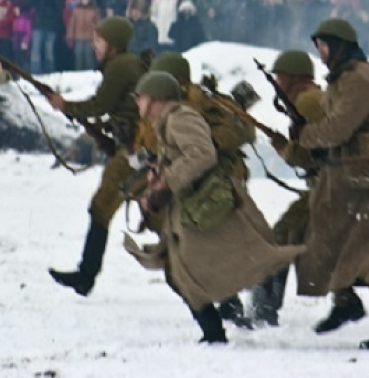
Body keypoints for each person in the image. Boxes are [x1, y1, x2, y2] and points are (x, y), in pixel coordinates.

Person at [124, 71, 303, 344]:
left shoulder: (180, 118)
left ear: (156, 98)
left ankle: (215, 333)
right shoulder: (168, 121)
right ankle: (214, 332)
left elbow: (202, 153)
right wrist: (157, 175)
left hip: (206, 202)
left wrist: (166, 182)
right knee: (180, 272)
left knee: (184, 271)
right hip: (194, 204)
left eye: (141, 97)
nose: (138, 102)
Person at [292, 18, 369, 349]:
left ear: (340, 45)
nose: (321, 52)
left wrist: (306, 136)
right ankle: (349, 304)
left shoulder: (357, 80)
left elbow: (338, 128)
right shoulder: (342, 78)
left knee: (366, 249)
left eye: (324, 46)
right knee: (342, 240)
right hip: (352, 175)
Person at [146, 51, 257, 328]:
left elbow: (222, 140)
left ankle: (232, 307)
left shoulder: (193, 104)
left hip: (218, 180)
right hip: (198, 180)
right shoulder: (179, 104)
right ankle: (230, 304)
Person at [47, 17, 145, 296]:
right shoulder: (126, 64)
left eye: (98, 40)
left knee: (102, 208)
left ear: (113, 43)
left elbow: (100, 104)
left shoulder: (120, 66)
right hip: (133, 147)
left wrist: (65, 105)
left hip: (134, 151)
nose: (93, 46)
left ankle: (86, 275)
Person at [251, 49, 324, 327]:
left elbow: (312, 150)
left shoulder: (308, 102)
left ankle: (263, 310)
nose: (278, 81)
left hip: (328, 187)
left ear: (294, 78)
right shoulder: (307, 99)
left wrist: (287, 150)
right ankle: (264, 309)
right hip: (324, 186)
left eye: (281, 76)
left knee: (281, 234)